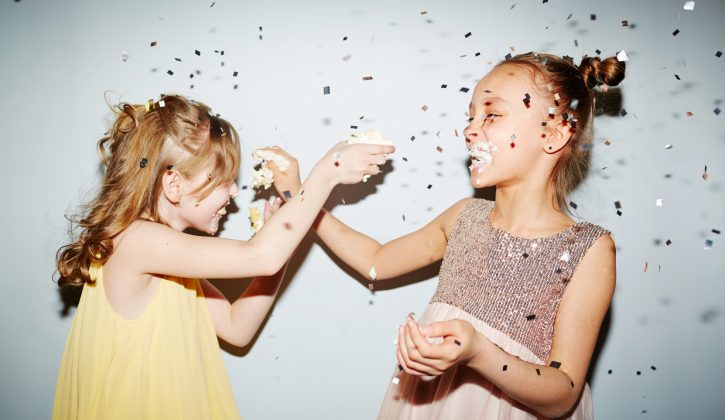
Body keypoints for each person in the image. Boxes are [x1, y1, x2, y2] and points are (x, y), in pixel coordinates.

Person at [265, 52, 624, 419]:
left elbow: (563, 392)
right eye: (471, 116)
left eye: (492, 115)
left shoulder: (589, 249)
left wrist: (478, 351)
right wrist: (302, 198)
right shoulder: (464, 217)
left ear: (553, 133)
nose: (470, 129)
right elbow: (375, 262)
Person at [52, 94, 394, 419]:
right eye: (224, 180)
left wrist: (281, 249)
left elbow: (237, 327)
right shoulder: (137, 241)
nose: (234, 191)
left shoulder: (168, 258)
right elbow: (261, 256)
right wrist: (328, 171)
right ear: (174, 186)